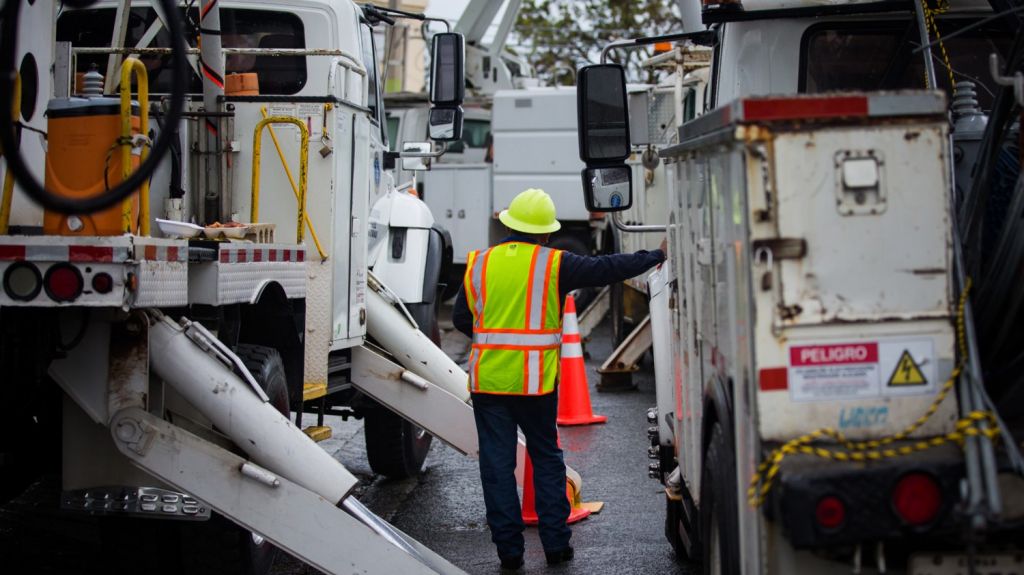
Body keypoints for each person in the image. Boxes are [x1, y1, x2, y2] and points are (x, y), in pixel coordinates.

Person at [452, 188, 665, 571]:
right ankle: (556, 547)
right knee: (546, 460)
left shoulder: (478, 263)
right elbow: (609, 268)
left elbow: (462, 320)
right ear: (546, 234)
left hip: (489, 383)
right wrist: (657, 255)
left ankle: (509, 553)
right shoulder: (554, 264)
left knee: (497, 467)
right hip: (535, 384)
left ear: (508, 226)